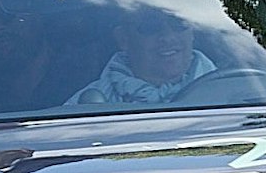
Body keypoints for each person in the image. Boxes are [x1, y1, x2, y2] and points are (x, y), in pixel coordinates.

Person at [68, 6, 216, 105]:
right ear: (123, 39)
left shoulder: (233, 92)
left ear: (192, 32)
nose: (168, 37)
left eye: (179, 23)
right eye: (150, 27)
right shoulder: (81, 106)